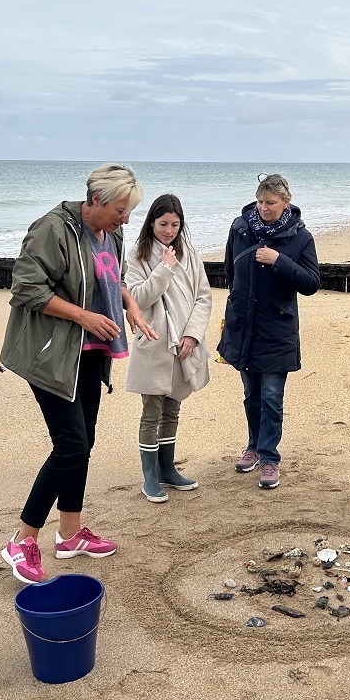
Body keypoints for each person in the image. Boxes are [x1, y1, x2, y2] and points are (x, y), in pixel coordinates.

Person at [0, 163, 151, 584]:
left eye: (129, 211)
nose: (126, 219)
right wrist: (84, 317)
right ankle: (23, 540)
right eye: (121, 209)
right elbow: (27, 288)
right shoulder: (52, 229)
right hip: (51, 355)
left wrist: (130, 305)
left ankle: (69, 535)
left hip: (92, 353)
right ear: (96, 200)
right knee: (70, 446)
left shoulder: (112, 232)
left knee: (84, 444)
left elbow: (111, 277)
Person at [217, 173, 320, 490]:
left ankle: (270, 458)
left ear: (285, 202)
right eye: (261, 201)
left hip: (277, 328)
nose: (264, 207)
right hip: (243, 326)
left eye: (271, 203)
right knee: (252, 396)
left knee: (273, 397)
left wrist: (279, 261)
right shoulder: (240, 228)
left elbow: (311, 283)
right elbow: (229, 271)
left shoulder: (301, 238)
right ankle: (253, 446)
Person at [124, 194, 213, 503]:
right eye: (163, 224)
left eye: (175, 224)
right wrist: (163, 269)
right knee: (152, 410)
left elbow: (203, 297)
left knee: (173, 407)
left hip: (183, 344)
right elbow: (137, 298)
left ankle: (167, 469)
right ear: (151, 222)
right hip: (154, 341)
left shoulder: (189, 253)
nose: (169, 230)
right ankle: (150, 477)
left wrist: (193, 335)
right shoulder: (137, 255)